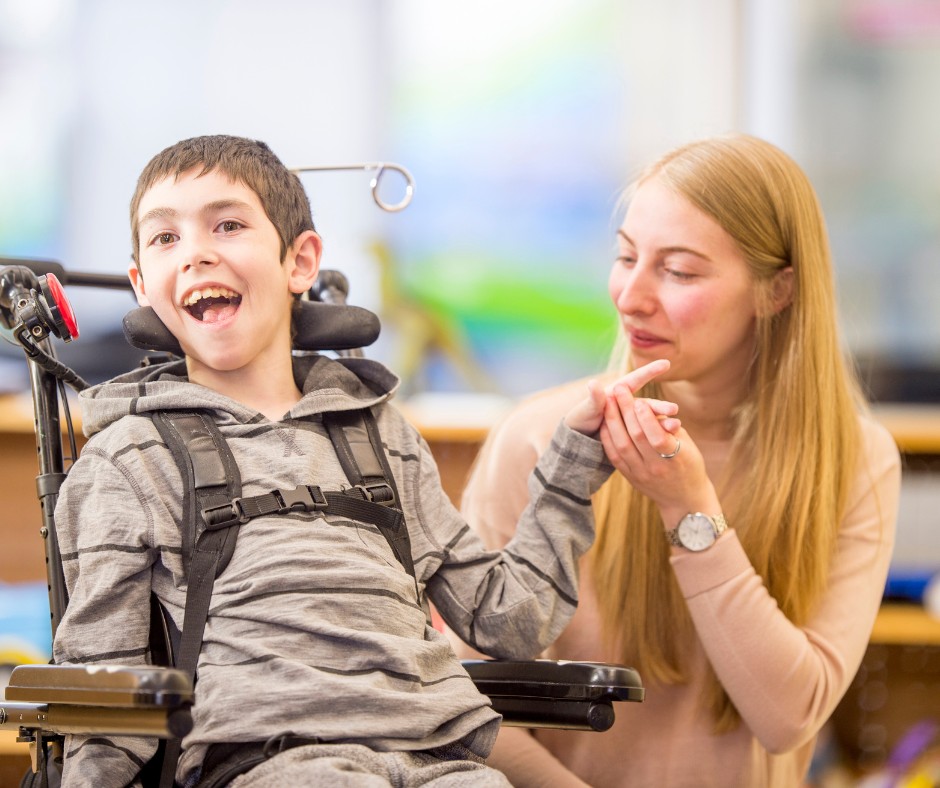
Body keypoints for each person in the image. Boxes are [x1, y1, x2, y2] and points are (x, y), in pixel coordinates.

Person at [50, 134, 672, 787]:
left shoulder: (381, 437)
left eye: (227, 225)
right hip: (274, 760)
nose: (196, 252)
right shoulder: (128, 458)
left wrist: (573, 465)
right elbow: (103, 695)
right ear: (142, 286)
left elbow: (507, 620)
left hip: (441, 757)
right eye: (165, 237)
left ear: (300, 261)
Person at [453, 133, 901, 787]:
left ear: (777, 291)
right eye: (625, 257)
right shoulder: (537, 438)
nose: (630, 296)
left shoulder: (856, 461)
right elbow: (461, 701)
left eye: (680, 271)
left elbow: (787, 717)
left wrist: (690, 510)